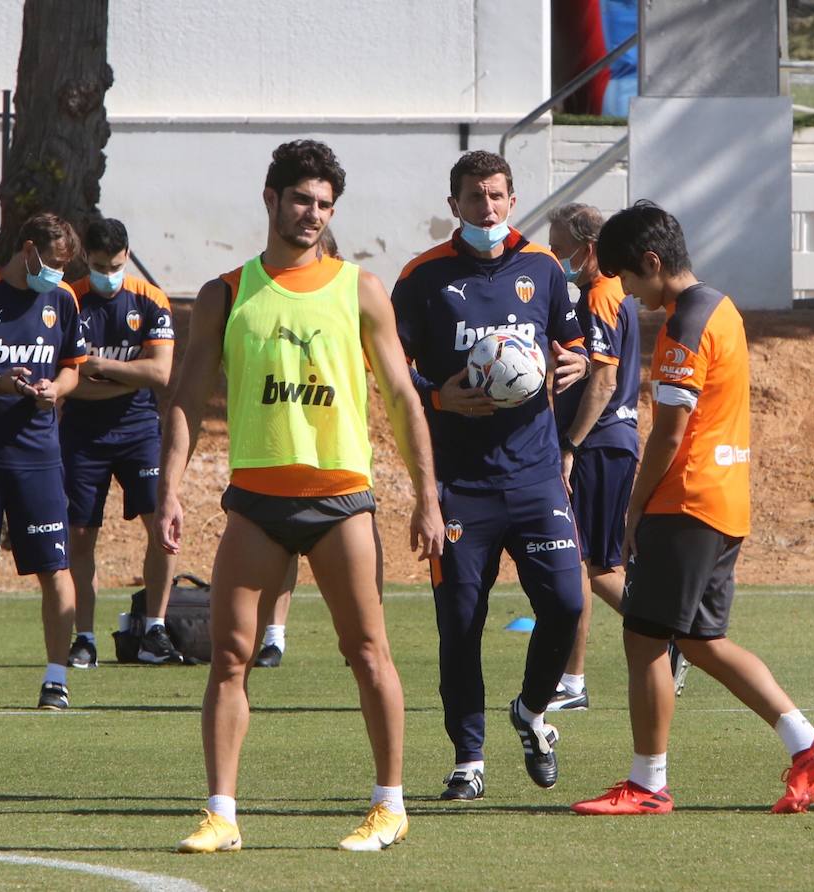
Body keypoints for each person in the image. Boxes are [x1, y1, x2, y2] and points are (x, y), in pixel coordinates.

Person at [160, 140, 445, 853]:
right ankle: (221, 814)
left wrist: (426, 497)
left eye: (323, 205)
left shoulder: (361, 288)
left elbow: (404, 398)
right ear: (271, 199)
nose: (312, 214)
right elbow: (186, 397)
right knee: (230, 656)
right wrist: (169, 489)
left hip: (341, 497)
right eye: (301, 200)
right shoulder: (227, 291)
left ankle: (390, 805)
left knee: (368, 650)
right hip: (255, 499)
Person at [571, 202, 814, 816]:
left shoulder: (684, 324)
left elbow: (670, 432)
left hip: (686, 501)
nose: (630, 294)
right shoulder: (719, 306)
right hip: (723, 502)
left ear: (651, 262)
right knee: (701, 641)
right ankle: (809, 745)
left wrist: (634, 509)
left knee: (644, 641)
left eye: (629, 279)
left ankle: (647, 786)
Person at [391, 150, 589, 802]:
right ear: (455, 204)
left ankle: (532, 712)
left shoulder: (543, 269)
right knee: (461, 622)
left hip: (534, 477)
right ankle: (468, 758)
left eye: (498, 196)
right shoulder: (422, 278)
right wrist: (439, 395)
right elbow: (393, 372)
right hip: (460, 485)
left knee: (566, 603)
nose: (488, 208)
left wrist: (574, 366)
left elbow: (575, 346)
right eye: (475, 198)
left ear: (512, 198)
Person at [0, 212, 88, 710]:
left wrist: (54, 390)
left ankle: (56, 678)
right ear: (29, 249)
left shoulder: (64, 299)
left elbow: (73, 368)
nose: (56, 273)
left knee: (54, 569)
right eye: (53, 263)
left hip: (39, 457)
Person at [62, 217, 182, 669]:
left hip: (138, 431)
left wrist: (98, 366)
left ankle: (154, 629)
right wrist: (122, 377)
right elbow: (70, 383)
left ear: (127, 256)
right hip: (81, 435)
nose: (106, 273)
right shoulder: (69, 299)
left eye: (113, 265)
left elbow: (161, 374)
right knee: (80, 536)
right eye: (97, 265)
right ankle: (85, 638)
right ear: (84, 261)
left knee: (163, 529)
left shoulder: (150, 300)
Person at [544, 203, 639, 712]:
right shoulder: (606, 294)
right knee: (592, 565)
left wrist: (570, 446)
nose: (557, 256)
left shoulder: (602, 295)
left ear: (590, 246)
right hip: (606, 444)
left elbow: (603, 379)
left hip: (598, 446)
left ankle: (574, 682)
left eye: (562, 247)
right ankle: (669, 635)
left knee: (585, 566)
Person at [254, 230, 340, 671]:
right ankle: (273, 635)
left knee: (356, 576)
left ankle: (356, 640)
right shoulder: (258, 299)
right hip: (278, 458)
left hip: (336, 472)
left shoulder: (348, 301)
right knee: (282, 553)